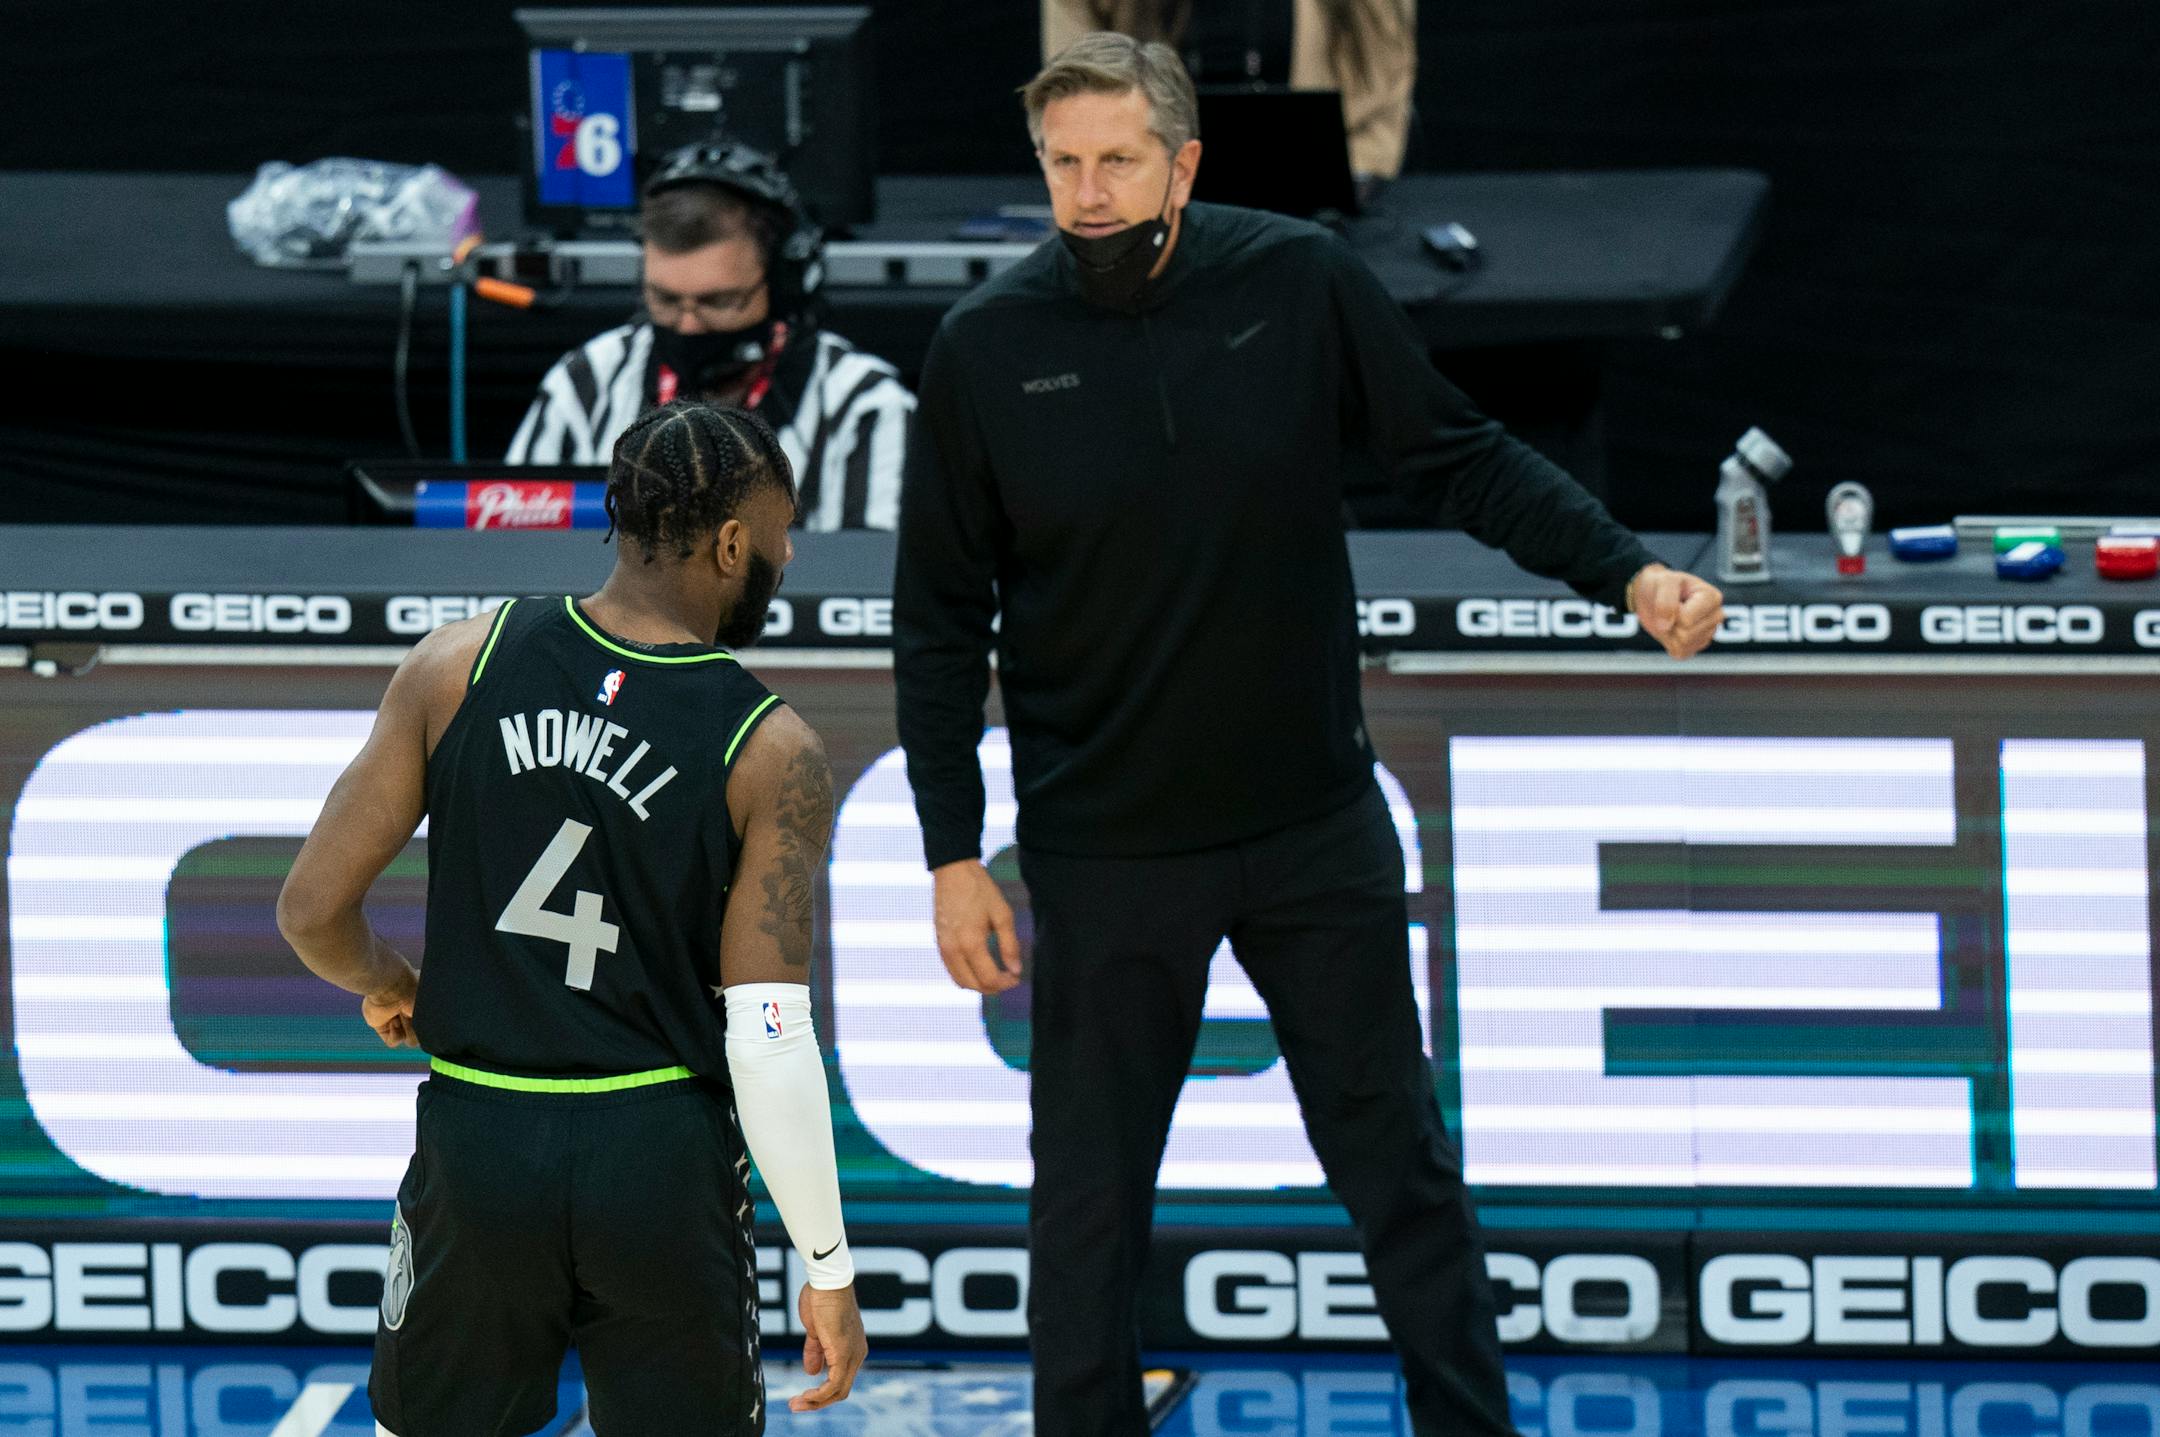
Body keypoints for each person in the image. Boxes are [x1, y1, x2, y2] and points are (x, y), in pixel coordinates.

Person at [893, 33, 1723, 1437]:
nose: (1089, 192)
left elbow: (1458, 452)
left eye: (1118, 160)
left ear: (1183, 161)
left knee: (1399, 1168)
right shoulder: (985, 347)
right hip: (1106, 851)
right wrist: (950, 851)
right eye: (1064, 164)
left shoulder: (1296, 282)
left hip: (1309, 828)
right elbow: (938, 616)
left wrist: (1625, 571)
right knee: (1088, 1199)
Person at [280, 401, 867, 1435]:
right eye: (782, 532)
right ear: (733, 543)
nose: (785, 554)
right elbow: (769, 1034)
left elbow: (312, 909)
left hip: (478, 1137)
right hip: (656, 1152)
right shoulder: (774, 750)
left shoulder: (454, 665)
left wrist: (387, 981)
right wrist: (825, 1264)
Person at [509, 141, 914, 533]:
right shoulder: (585, 384)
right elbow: (515, 552)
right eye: (664, 299)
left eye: (717, 302)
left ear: (783, 284)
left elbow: (874, 587)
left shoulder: (867, 408)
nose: (686, 326)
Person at [1043, 0, 1418, 191]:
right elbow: (1075, 96)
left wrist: (1344, 185)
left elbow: (1382, 115)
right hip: (1148, 205)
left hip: (1315, 218)